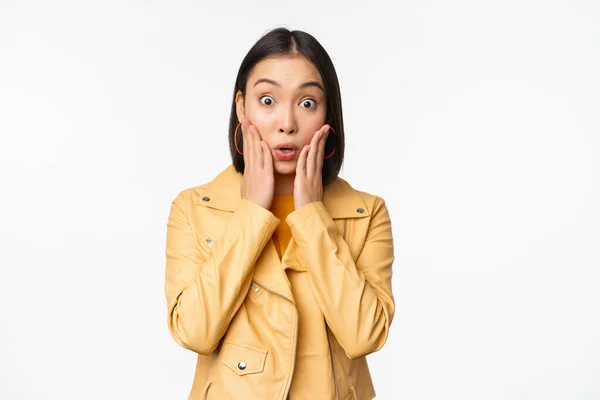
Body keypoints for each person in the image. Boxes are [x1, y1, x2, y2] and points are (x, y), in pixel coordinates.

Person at [165, 27, 395, 400]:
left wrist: (312, 217)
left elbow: (364, 336)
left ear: (328, 112)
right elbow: (194, 332)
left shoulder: (365, 213)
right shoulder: (193, 208)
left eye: (307, 103)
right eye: (267, 100)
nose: (286, 123)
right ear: (242, 107)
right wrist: (252, 213)